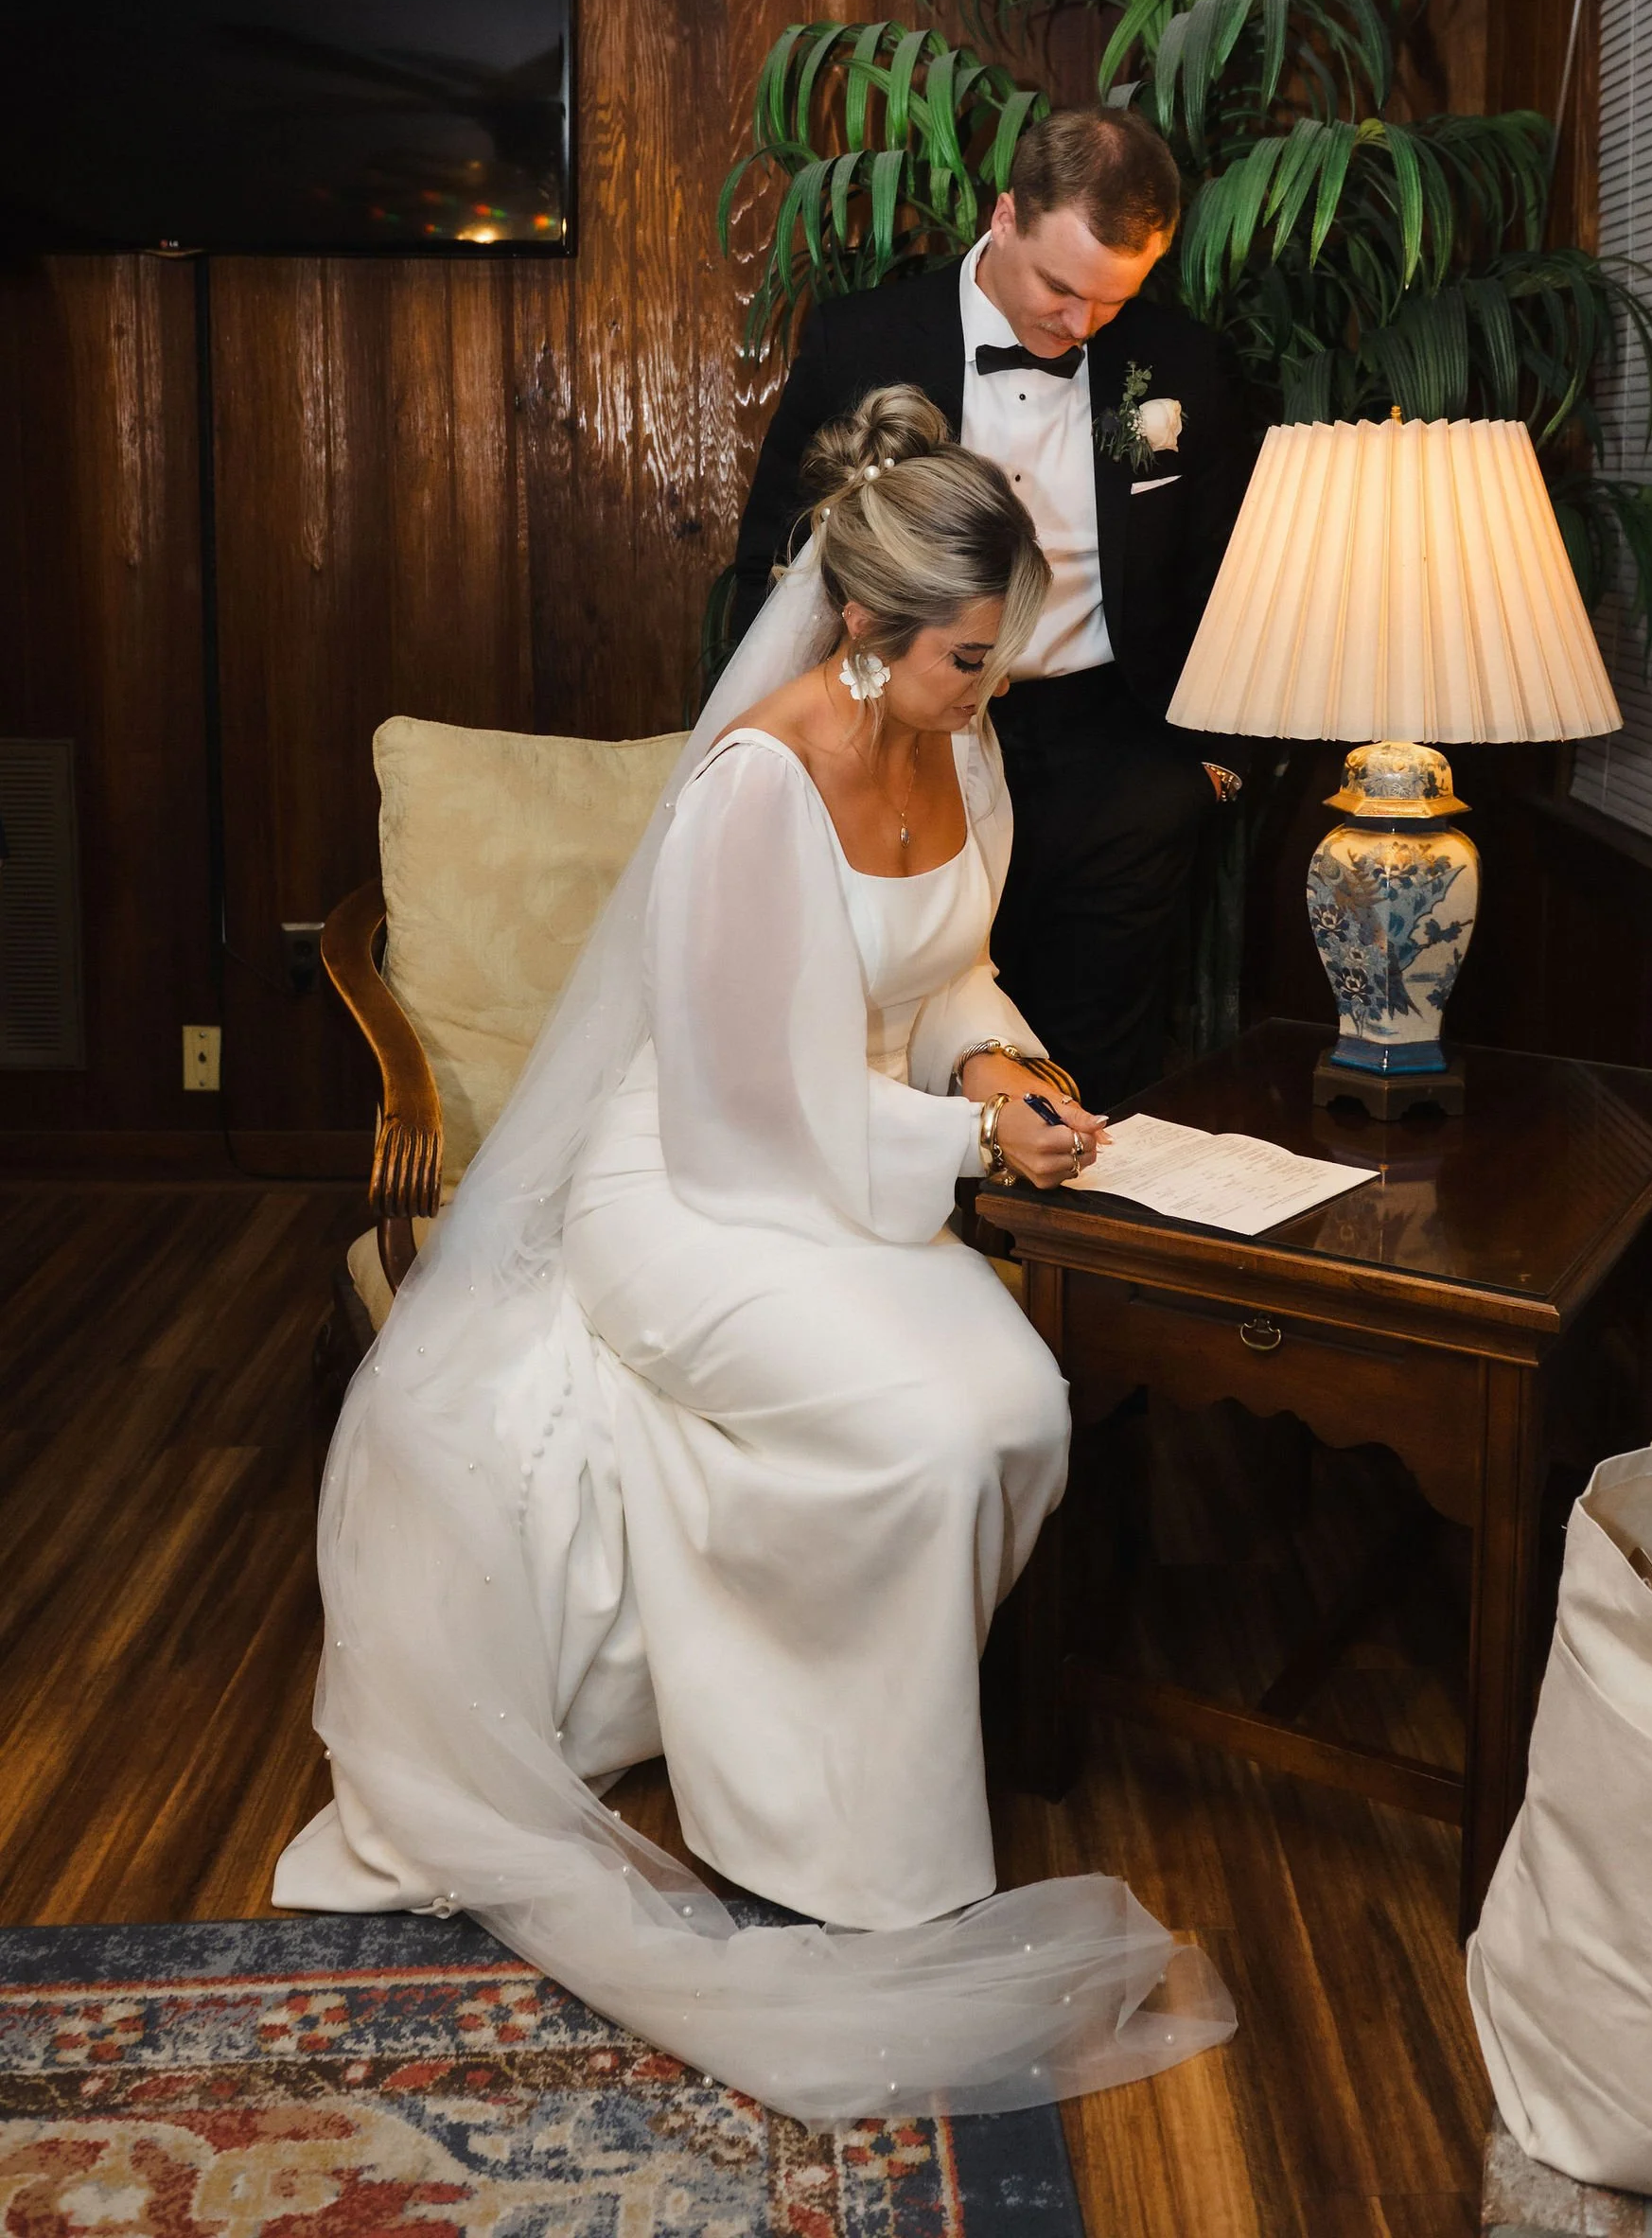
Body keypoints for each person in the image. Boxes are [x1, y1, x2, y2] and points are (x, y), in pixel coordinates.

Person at [273, 384, 1234, 2125]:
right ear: (862, 633)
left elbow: (939, 969)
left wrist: (997, 1062)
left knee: (1018, 1406)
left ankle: (809, 1724)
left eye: (997, 659)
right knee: (929, 1432)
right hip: (698, 1193)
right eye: (964, 659)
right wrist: (968, 1138)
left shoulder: (956, 736)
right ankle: (848, 1860)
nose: (988, 688)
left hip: (853, 1165)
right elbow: (741, 1114)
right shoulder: (751, 790)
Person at [733, 107, 1254, 1110]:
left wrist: (1209, 771)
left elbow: (1231, 572)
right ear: (1006, 214)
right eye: (1059, 288)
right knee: (911, 1032)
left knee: (1095, 1076)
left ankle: (1071, 1266)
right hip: (906, 742)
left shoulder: (1179, 363)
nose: (1077, 326)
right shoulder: (864, 341)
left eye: (1111, 300)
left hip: (1114, 761)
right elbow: (775, 555)